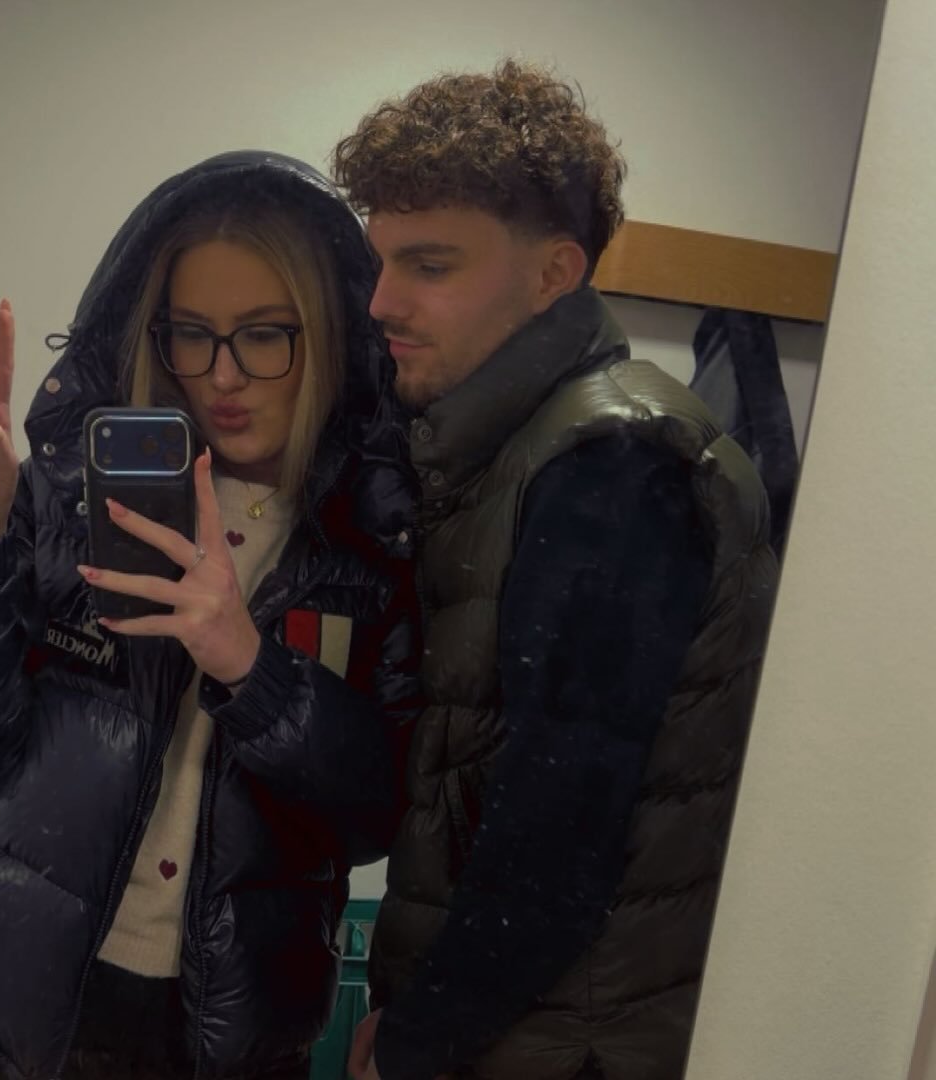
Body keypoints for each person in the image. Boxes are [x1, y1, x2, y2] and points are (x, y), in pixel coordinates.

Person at [0, 151, 421, 1080]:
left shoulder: (371, 551)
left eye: (264, 335)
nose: (222, 376)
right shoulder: (67, 501)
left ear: (328, 334)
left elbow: (377, 814)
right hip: (26, 1002)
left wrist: (252, 668)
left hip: (235, 1028)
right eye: (191, 335)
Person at [333, 60, 779, 1080]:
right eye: (381, 261)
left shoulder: (612, 463)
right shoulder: (518, 448)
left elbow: (562, 828)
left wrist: (417, 1040)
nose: (381, 301)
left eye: (429, 266)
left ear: (553, 274)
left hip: (561, 1046)